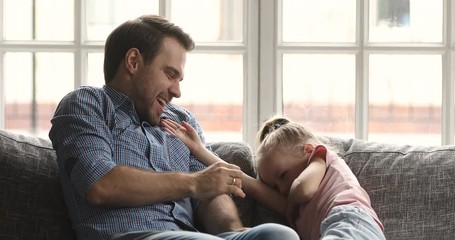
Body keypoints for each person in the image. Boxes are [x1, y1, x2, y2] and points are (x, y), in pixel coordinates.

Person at [49, 15, 299, 240]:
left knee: (278, 234)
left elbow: (209, 192)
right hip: (130, 235)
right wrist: (194, 183)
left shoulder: (183, 121)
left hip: (189, 237)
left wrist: (233, 231)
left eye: (179, 80)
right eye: (170, 74)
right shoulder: (86, 104)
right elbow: (100, 184)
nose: (177, 91)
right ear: (133, 61)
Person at [161, 116, 386, 240]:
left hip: (350, 220)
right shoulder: (293, 204)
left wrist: (287, 199)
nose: (281, 188)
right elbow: (242, 179)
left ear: (307, 150)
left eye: (282, 176)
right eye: (274, 186)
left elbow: (303, 189)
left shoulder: (321, 157)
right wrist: (199, 149)